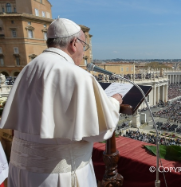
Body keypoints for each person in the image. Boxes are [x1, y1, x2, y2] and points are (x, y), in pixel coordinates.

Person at [0, 18, 123, 187]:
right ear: (74, 43)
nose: (83, 53)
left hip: (21, 172)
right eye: (83, 47)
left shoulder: (27, 69)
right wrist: (114, 103)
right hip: (59, 176)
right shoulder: (77, 75)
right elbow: (98, 132)